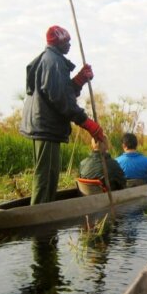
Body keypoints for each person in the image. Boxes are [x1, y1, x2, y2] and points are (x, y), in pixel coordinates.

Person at [20, 25, 105, 205]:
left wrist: (79, 80)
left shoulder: (49, 59)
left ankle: (43, 208)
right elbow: (61, 100)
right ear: (58, 43)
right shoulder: (54, 62)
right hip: (46, 127)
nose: (69, 45)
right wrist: (87, 123)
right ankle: (40, 216)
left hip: (41, 125)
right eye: (67, 42)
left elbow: (59, 92)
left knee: (47, 173)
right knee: (46, 176)